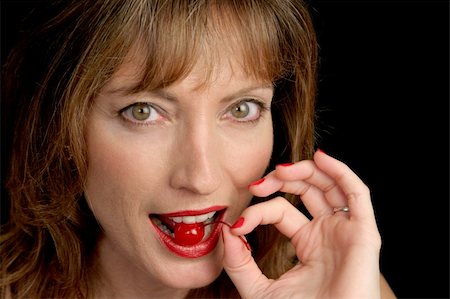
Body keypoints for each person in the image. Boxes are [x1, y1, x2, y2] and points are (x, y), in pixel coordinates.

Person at [1, 0, 396, 298]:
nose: (201, 178)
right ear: (59, 128)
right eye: (143, 112)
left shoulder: (342, 284)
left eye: (241, 109)